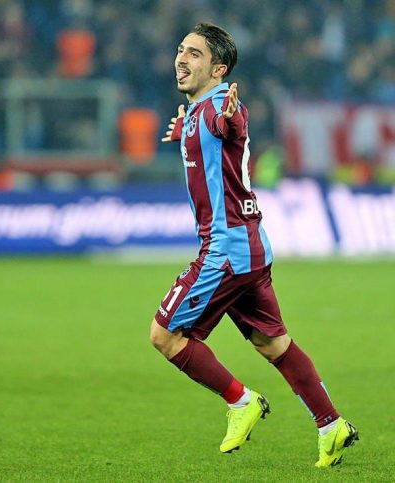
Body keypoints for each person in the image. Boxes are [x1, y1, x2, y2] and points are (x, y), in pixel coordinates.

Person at [150, 22, 358, 468]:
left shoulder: (219, 108)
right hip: (250, 246)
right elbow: (209, 136)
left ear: (218, 69)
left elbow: (230, 123)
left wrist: (229, 117)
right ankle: (331, 425)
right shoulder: (195, 114)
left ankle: (241, 401)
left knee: (165, 336)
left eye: (194, 54)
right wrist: (185, 132)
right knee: (272, 343)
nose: (181, 58)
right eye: (181, 49)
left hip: (225, 249)